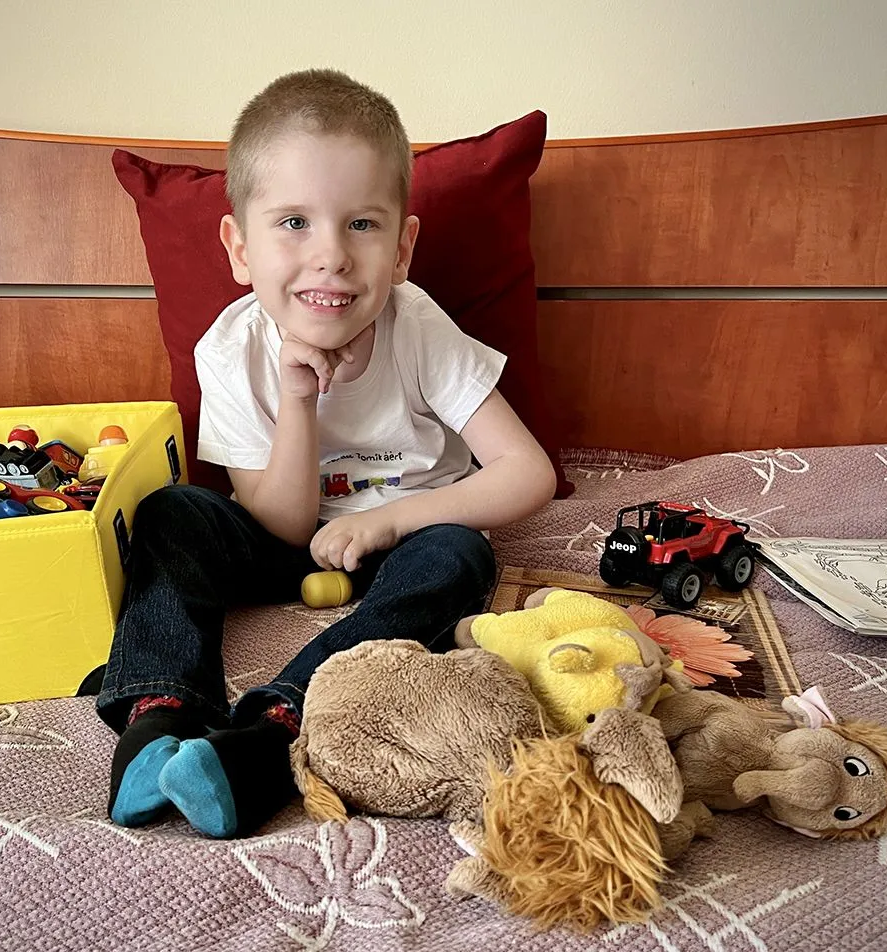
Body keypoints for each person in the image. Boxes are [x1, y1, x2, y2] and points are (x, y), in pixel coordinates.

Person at [97, 68, 557, 839]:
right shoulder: (231, 347)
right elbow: (280, 523)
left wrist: (392, 520)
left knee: (461, 557)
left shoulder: (417, 327)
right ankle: (158, 710)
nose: (332, 256)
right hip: (283, 538)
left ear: (402, 248)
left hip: (404, 541)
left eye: (362, 224)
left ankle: (274, 729)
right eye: (294, 223)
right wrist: (299, 397)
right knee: (173, 512)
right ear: (240, 248)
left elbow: (527, 472)